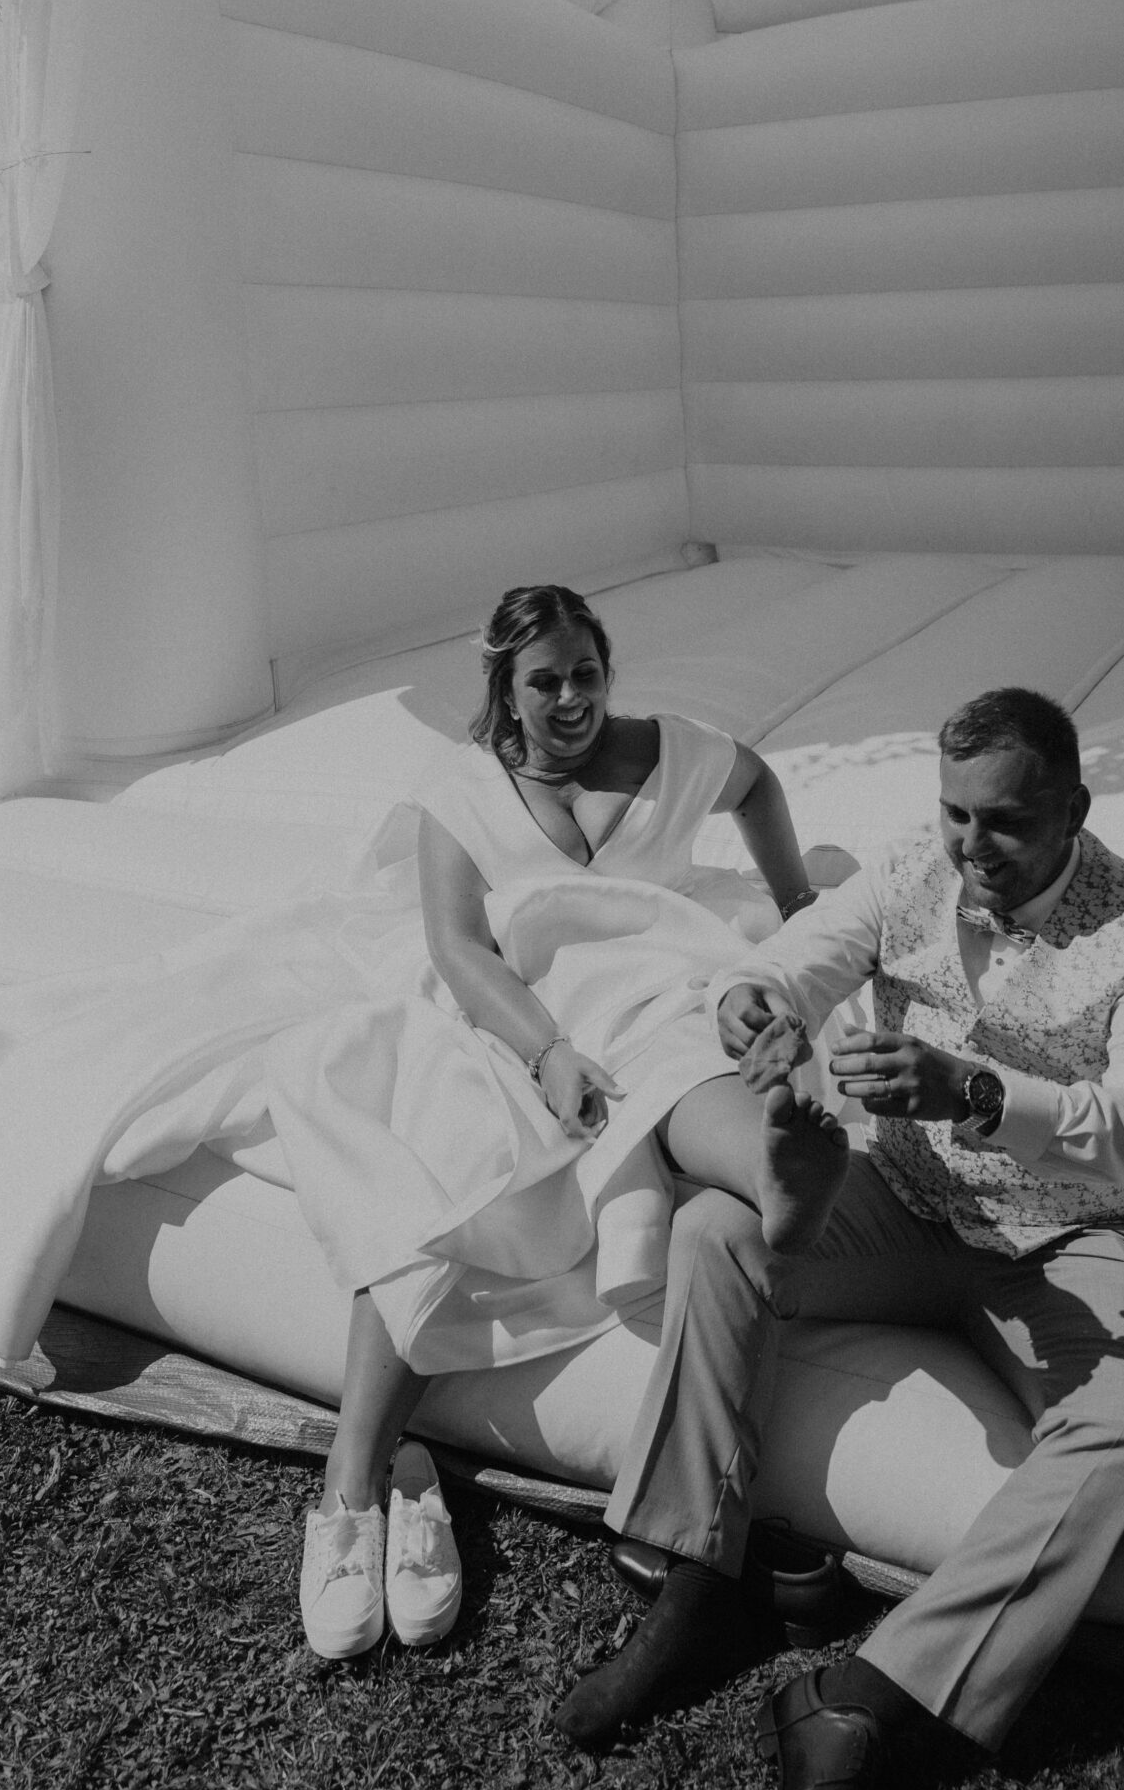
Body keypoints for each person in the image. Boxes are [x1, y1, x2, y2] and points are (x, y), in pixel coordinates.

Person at [554, 687, 1124, 1790]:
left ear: (1075, 807)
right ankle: (698, 1584)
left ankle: (863, 1698)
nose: (972, 846)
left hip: (1075, 1237)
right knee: (714, 1231)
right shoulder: (915, 869)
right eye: (956, 814)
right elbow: (785, 960)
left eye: (1004, 821)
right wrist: (757, 1007)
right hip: (908, 1205)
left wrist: (976, 1088)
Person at [300, 584, 852, 1661]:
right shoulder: (460, 789)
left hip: (656, 973)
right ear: (504, 688)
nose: (570, 699)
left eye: (586, 674)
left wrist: (795, 908)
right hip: (522, 1009)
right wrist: (546, 1049)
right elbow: (459, 947)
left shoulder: (670, 748)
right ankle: (348, 1493)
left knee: (681, 1061)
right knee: (454, 1156)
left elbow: (756, 779)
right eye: (544, 681)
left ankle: (773, 1167)